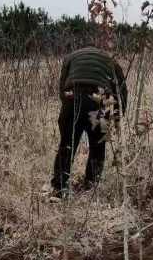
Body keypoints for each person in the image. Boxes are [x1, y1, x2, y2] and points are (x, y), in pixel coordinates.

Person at [51, 46, 127, 196]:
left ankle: (59, 187)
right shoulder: (111, 61)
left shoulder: (71, 56)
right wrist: (117, 118)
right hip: (98, 102)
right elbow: (122, 92)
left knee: (67, 144)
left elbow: (62, 86)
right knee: (98, 146)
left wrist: (68, 109)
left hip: (72, 99)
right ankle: (91, 186)